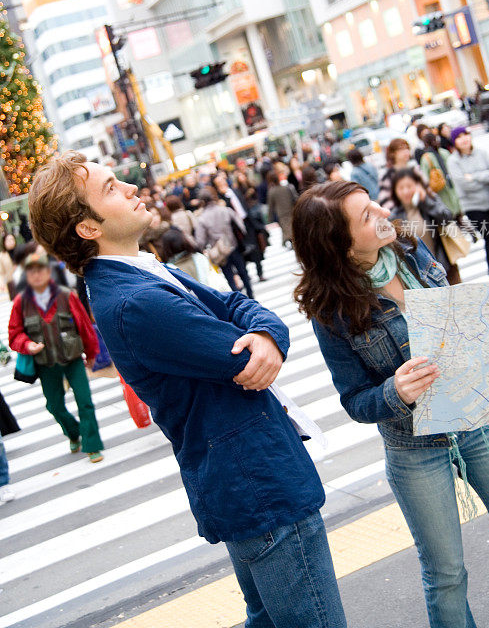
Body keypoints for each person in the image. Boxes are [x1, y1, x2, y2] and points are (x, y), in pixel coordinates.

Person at [28, 152, 347, 628]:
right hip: (258, 483)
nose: (133, 188)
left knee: (267, 619)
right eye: (112, 188)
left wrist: (266, 334)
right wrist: (265, 337)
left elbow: (237, 303)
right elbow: (240, 355)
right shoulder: (135, 302)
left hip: (243, 482)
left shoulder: (138, 270)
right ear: (88, 228)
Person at [291, 180, 489, 628]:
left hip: (479, 421)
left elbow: (458, 321)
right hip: (414, 450)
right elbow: (355, 401)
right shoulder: (332, 312)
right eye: (366, 216)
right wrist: (395, 393)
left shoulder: (409, 249)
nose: (383, 212)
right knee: (446, 577)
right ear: (338, 244)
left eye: (374, 203)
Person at [8, 251, 104, 463]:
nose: (36, 275)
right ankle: (73, 432)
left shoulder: (66, 295)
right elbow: (14, 334)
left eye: (40, 269)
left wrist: (91, 353)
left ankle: (92, 445)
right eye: (31, 271)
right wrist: (27, 345)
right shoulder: (20, 302)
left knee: (85, 401)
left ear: (49, 271)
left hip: (72, 360)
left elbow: (85, 326)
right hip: (45, 364)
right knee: (54, 406)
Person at [447, 127, 489, 279]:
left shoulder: (481, 152)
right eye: (459, 137)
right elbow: (464, 185)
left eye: (466, 135)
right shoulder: (453, 161)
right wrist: (483, 178)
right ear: (454, 142)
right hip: (473, 207)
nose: (464, 139)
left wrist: (474, 177)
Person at [390, 168, 461, 285]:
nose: (406, 191)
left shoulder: (429, 201)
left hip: (444, 267)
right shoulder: (394, 217)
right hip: (421, 275)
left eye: (409, 186)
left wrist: (426, 201)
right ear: (395, 191)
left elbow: (447, 218)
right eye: (401, 188)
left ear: (417, 185)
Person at [195, 190, 255, 299]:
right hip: (233, 245)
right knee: (243, 272)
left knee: (229, 277)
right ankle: (251, 295)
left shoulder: (202, 218)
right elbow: (241, 226)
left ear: (202, 202)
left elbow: (200, 241)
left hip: (219, 251)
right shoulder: (225, 210)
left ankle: (239, 299)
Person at [419, 131, 462, 218]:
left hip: (440, 190)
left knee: (450, 215)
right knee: (458, 214)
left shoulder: (426, 158)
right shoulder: (444, 152)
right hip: (450, 185)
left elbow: (425, 178)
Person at [378, 138, 422, 210]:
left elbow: (427, 190)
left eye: (407, 148)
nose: (406, 152)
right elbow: (385, 202)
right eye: (401, 149)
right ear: (392, 153)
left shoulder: (415, 169)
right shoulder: (388, 176)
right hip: (404, 217)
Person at [267, 171, 297, 247]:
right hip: (290, 211)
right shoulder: (286, 187)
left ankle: (289, 243)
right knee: (293, 229)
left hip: (281, 214)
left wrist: (270, 219)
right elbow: (293, 199)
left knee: (288, 230)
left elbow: (270, 207)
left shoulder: (271, 192)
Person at [0, 233, 17, 300]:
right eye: (8, 240)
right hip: (11, 283)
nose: (11, 242)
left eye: (12, 239)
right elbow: (1, 272)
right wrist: (2, 283)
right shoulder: (2, 256)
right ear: (4, 242)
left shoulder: (20, 251)